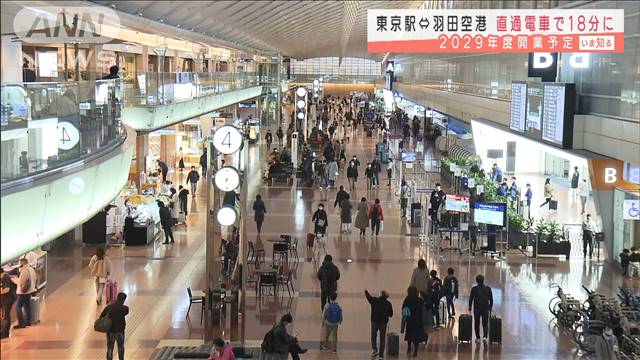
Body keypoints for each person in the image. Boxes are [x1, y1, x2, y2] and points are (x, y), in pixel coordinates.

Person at [99, 292, 129, 360]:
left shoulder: (109, 307)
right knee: (121, 348)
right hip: (120, 332)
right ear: (123, 300)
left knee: (110, 348)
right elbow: (127, 311)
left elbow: (101, 316)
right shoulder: (125, 308)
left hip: (110, 331)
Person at [364, 289, 393, 359]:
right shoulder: (388, 304)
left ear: (380, 295)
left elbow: (369, 298)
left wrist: (366, 292)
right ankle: (381, 355)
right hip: (383, 323)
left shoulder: (375, 300)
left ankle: (374, 350)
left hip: (374, 322)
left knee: (373, 336)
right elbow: (391, 314)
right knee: (382, 338)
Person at [468, 274, 493, 345]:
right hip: (485, 308)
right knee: (485, 324)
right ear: (483, 280)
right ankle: (485, 337)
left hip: (477, 308)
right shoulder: (488, 288)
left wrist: (470, 307)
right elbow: (491, 299)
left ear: (476, 281)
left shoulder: (474, 289)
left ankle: (478, 338)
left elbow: (471, 299)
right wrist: (490, 308)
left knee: (477, 323)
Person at [12, 258, 36, 329]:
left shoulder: (25, 271)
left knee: (18, 307)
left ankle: (21, 323)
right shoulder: (31, 269)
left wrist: (13, 279)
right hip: (29, 290)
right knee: (27, 306)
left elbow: (20, 281)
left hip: (23, 292)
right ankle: (27, 321)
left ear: (22, 263)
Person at [401, 286, 425, 357]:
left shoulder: (407, 299)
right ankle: (415, 351)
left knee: (409, 334)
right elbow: (422, 310)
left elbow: (403, 308)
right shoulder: (419, 300)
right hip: (418, 320)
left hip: (410, 320)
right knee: (416, 336)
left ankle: (409, 347)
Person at [1, 268, 17, 338]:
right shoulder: (5, 277)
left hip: (8, 299)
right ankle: (5, 332)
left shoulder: (5, 278)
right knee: (6, 315)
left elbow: (7, 289)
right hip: (6, 299)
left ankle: (4, 333)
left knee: (6, 316)